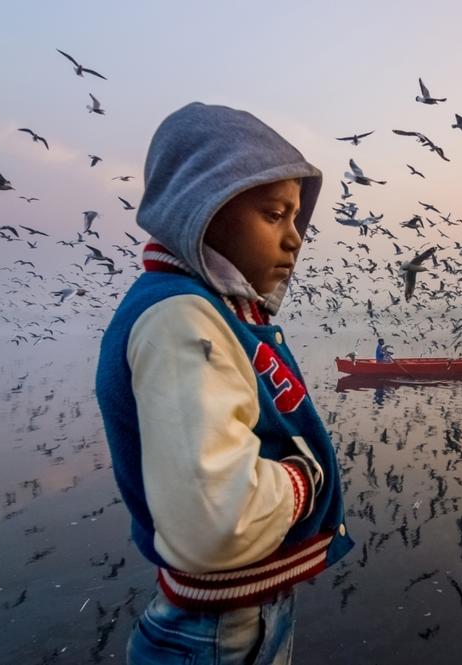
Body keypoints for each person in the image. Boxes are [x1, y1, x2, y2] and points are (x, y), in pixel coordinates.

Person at [94, 103, 353, 665]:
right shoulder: (182, 319)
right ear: (204, 209)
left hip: (242, 617)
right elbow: (217, 523)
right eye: (273, 214)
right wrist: (306, 477)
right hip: (220, 635)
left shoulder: (217, 314)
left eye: (296, 218)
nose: (296, 239)